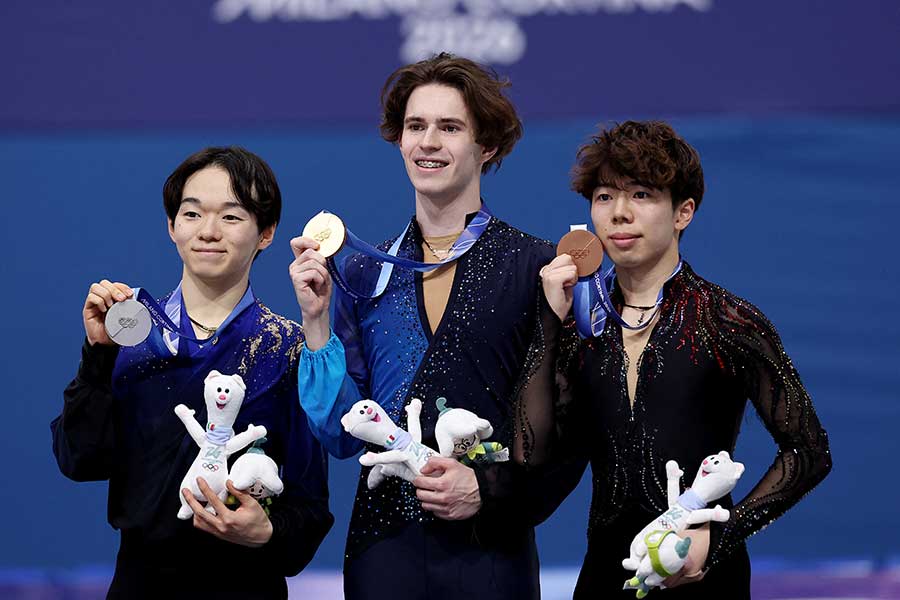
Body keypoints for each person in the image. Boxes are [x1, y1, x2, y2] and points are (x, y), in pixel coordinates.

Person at [523, 120, 832, 598]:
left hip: (707, 577)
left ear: (683, 211)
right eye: (604, 197)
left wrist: (722, 538)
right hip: (606, 576)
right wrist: (547, 320)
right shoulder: (578, 325)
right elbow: (531, 453)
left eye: (641, 195)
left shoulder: (728, 320)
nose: (619, 214)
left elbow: (809, 453)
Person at [289, 53, 554, 599]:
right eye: (416, 126)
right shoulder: (364, 270)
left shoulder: (535, 267)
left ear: (488, 146)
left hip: (491, 550)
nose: (428, 141)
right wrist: (316, 326)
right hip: (384, 550)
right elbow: (343, 435)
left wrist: (487, 489)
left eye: (450, 127)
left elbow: (557, 430)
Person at [51, 147, 333, 599]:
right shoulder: (129, 334)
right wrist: (97, 356)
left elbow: (309, 505)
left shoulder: (288, 346)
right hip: (141, 583)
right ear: (171, 227)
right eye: (192, 213)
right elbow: (80, 459)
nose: (208, 231)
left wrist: (267, 532)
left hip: (246, 584)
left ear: (266, 233)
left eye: (231, 217)